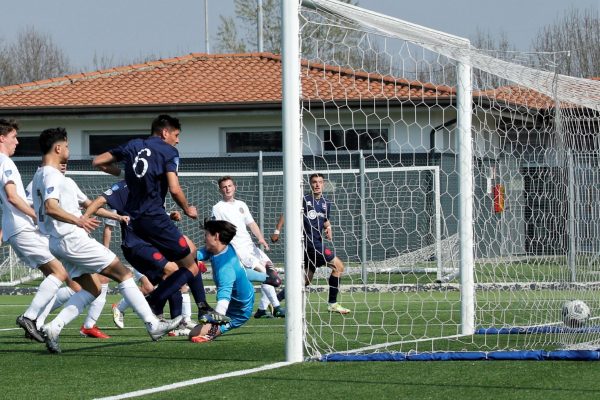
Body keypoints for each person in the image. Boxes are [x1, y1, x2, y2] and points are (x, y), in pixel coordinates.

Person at [32, 127, 181, 353]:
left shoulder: (39, 175)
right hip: (71, 237)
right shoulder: (52, 174)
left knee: (93, 289)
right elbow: (50, 207)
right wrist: (79, 221)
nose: (69, 150)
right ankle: (153, 324)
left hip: (57, 241)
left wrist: (112, 215)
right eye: (68, 146)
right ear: (59, 148)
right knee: (124, 274)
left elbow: (81, 204)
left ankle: (53, 327)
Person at [92, 114, 210, 321]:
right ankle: (164, 301)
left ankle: (197, 309)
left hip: (137, 223)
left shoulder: (133, 145)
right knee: (190, 263)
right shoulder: (169, 151)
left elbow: (98, 161)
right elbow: (174, 188)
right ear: (165, 132)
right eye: (176, 134)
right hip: (154, 217)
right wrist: (187, 208)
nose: (178, 139)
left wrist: (124, 173)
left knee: (181, 262)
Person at [83, 179, 203, 335]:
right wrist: (85, 217)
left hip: (151, 242)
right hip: (136, 244)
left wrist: (169, 216)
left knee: (171, 276)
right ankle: (157, 308)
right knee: (173, 271)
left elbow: (148, 215)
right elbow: (99, 203)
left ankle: (170, 320)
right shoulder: (122, 187)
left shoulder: (152, 188)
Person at [0, 118, 69, 343]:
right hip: (22, 228)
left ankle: (36, 324)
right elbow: (12, 197)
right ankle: (30, 318)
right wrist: (36, 218)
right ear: (2, 138)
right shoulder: (5, 163)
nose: (17, 142)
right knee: (60, 272)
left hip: (15, 229)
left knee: (54, 274)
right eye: (13, 137)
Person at [272, 173, 351, 314]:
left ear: (323, 184)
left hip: (315, 244)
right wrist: (277, 231)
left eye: (320, 182)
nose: (317, 185)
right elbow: (286, 213)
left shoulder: (326, 203)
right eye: (314, 182)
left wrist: (329, 228)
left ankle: (274, 301)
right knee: (338, 267)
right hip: (311, 244)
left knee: (305, 280)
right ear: (310, 184)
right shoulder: (304, 200)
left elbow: (325, 220)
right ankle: (332, 303)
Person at [212, 176, 284, 319]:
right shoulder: (218, 207)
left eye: (229, 186)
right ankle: (276, 307)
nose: (227, 189)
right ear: (220, 190)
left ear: (234, 187)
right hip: (239, 250)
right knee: (266, 275)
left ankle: (263, 309)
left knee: (272, 271)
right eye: (224, 187)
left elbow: (251, 224)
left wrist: (261, 239)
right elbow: (217, 229)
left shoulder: (241, 205)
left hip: (251, 247)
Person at [190, 219, 254, 343]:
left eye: (206, 235)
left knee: (193, 334)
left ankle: (216, 327)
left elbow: (224, 300)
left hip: (239, 312)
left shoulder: (225, 269)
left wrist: (211, 332)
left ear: (216, 236)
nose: (204, 238)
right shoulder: (222, 248)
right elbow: (197, 254)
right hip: (240, 298)